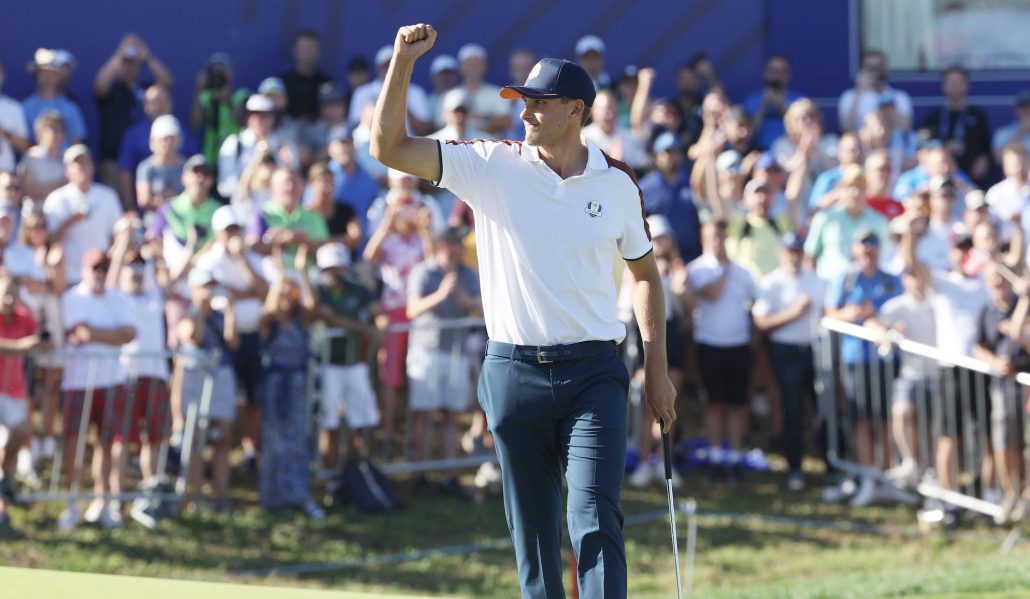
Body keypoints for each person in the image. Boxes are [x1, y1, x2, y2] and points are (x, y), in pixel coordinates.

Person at [369, 24, 675, 597]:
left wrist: (656, 372)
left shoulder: (618, 184)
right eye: (523, 102)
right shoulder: (490, 164)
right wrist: (401, 64)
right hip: (512, 372)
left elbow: (645, 277)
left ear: (576, 110)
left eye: (540, 103)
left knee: (594, 515)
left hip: (593, 371)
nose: (526, 113)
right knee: (533, 534)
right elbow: (387, 148)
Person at [55, 249, 137, 531]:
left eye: (104, 267)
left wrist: (96, 335)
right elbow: (82, 333)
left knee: (107, 443)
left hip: (111, 380)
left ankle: (102, 501)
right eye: (94, 267)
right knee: (74, 443)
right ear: (84, 268)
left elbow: (129, 334)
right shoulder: (72, 297)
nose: (99, 273)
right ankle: (72, 501)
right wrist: (108, 335)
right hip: (77, 381)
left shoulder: (118, 297)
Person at [823, 228, 901, 508]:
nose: (868, 250)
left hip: (886, 360)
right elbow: (830, 312)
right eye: (863, 244)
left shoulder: (891, 280)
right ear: (855, 249)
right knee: (860, 419)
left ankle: (886, 477)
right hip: (856, 358)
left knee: (885, 420)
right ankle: (869, 477)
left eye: (873, 244)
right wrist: (853, 314)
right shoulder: (845, 279)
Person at [194, 205, 269, 478]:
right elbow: (214, 293)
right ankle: (211, 455)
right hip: (220, 339)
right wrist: (247, 292)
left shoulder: (251, 258)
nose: (233, 235)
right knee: (218, 403)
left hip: (252, 336)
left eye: (236, 229)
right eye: (228, 230)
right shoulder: (209, 261)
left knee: (254, 397)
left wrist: (242, 262)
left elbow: (264, 291)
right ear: (217, 233)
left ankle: (250, 454)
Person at [406, 227, 481, 498]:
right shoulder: (424, 272)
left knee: (451, 415)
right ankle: (421, 476)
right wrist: (439, 295)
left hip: (456, 352)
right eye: (458, 243)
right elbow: (412, 310)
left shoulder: (468, 275)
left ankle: (450, 475)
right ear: (445, 246)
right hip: (426, 352)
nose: (462, 247)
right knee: (424, 415)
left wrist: (466, 299)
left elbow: (482, 306)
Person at [362, 173, 435, 453]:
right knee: (389, 377)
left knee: (414, 375)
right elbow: (368, 258)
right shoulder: (388, 239)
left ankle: (414, 440)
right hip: (392, 312)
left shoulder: (420, 239)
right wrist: (386, 224)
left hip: (417, 314)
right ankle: (389, 436)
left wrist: (426, 229)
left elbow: (432, 262)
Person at [257, 244, 324, 519]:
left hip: (297, 385)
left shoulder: (300, 321)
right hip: (275, 386)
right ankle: (273, 498)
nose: (287, 296)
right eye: (283, 292)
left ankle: (297, 494)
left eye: (290, 292)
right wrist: (281, 276)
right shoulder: (268, 321)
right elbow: (270, 305)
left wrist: (299, 272)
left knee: (297, 441)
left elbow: (311, 304)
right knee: (274, 441)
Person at [752, 233, 823, 491]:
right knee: (792, 410)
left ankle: (828, 463)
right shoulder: (772, 283)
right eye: (789, 251)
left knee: (821, 407)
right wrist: (793, 313)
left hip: (813, 348)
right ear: (781, 254)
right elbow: (761, 322)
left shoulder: (814, 279)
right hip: (785, 350)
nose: (794, 256)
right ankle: (795, 467)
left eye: (797, 251)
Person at [688, 221, 757, 482]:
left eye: (721, 236)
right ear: (703, 238)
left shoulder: (743, 271)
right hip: (709, 344)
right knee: (714, 404)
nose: (718, 241)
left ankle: (735, 458)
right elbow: (713, 294)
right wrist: (726, 268)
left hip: (738, 344)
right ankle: (716, 457)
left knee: (738, 404)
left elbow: (757, 303)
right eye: (712, 237)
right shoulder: (697, 269)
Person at [313, 243, 380, 471]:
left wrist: (380, 327)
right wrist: (361, 328)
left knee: (363, 421)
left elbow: (377, 313)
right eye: (330, 268)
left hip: (355, 363)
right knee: (329, 423)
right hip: (327, 365)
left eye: (338, 267)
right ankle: (330, 477)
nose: (335, 273)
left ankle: (357, 473)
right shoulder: (318, 291)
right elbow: (328, 318)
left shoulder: (358, 289)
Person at [176, 267, 238, 513]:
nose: (209, 291)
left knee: (222, 438)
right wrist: (200, 310)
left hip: (221, 376)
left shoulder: (222, 315)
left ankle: (221, 496)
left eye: (211, 286)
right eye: (204, 286)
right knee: (195, 439)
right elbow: (194, 336)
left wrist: (231, 310)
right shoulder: (186, 314)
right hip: (196, 377)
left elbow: (233, 342)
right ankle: (197, 496)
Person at [7, 211, 65, 465]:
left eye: (42, 227)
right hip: (24, 328)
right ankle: (26, 452)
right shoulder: (17, 253)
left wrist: (46, 274)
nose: (38, 232)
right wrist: (39, 279)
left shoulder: (54, 254)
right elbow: (20, 283)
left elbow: (54, 286)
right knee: (28, 390)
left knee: (49, 385)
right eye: (33, 227)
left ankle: (47, 441)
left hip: (47, 325)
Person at [973, 261, 1028, 524]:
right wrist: (995, 363)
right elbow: (978, 345)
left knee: (1025, 447)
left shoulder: (1024, 303)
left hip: (1026, 382)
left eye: (1001, 277)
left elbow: (1019, 335)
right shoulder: (986, 310)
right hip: (1003, 384)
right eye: (992, 278)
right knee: (1004, 442)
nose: (998, 283)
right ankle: (1011, 493)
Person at [93, 34, 174, 189]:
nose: (129, 67)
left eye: (133, 64)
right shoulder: (112, 90)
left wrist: (147, 57)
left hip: (149, 160)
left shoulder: (146, 89)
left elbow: (168, 82)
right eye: (125, 63)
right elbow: (99, 86)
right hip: (114, 161)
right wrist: (119, 54)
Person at [43, 145, 123, 285]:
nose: (82, 167)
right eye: (77, 163)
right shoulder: (56, 199)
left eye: (86, 162)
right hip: (70, 277)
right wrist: (71, 220)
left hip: (102, 276)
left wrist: (108, 263)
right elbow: (50, 241)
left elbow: (117, 235)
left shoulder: (108, 195)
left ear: (93, 167)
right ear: (67, 170)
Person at [0, 275, 42, 537]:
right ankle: (3, 512)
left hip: (14, 390)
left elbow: (39, 336)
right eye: (5, 291)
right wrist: (18, 346)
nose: (9, 297)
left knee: (22, 431)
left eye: (13, 292)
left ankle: (5, 480)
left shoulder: (23, 316)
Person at [117, 85, 200, 207]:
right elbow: (125, 172)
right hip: (150, 214)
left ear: (170, 103)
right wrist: (130, 208)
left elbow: (196, 167)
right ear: (146, 106)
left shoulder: (185, 132)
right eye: (155, 102)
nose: (159, 105)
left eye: (162, 101)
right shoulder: (133, 135)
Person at [804, 165, 889, 281]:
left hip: (865, 286)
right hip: (829, 282)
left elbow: (885, 256)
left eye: (860, 187)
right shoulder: (825, 218)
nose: (855, 193)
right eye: (850, 187)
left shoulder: (879, 221)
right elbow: (810, 255)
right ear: (840, 189)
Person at [217, 94, 299, 200]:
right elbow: (225, 188)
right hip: (242, 211)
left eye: (266, 115)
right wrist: (257, 161)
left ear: (273, 118)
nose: (260, 120)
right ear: (247, 118)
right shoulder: (233, 144)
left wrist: (289, 166)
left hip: (276, 212)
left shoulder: (286, 146)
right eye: (255, 114)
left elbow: (296, 188)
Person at [637, 132, 702, 263]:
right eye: (666, 153)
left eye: (674, 153)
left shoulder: (691, 182)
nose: (670, 158)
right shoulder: (645, 188)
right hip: (659, 260)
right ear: (657, 157)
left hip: (693, 257)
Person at [922, 66, 991, 185]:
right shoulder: (934, 117)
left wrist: (984, 159)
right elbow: (925, 144)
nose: (955, 86)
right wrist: (945, 147)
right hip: (940, 179)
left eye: (959, 82)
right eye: (951, 82)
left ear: (967, 86)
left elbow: (986, 146)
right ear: (943, 86)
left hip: (972, 178)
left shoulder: (978, 115)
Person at [191, 52, 248, 168]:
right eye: (214, 71)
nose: (218, 75)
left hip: (236, 160)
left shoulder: (241, 96)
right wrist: (198, 92)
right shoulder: (205, 98)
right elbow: (195, 124)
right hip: (210, 162)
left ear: (230, 73)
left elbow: (245, 124)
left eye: (222, 71)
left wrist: (228, 102)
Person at [22, 48, 87, 147]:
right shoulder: (26, 106)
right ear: (37, 75)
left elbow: (77, 142)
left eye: (54, 74)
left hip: (64, 161)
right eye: (44, 73)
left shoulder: (71, 108)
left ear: (61, 77)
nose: (48, 77)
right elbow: (23, 142)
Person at [326, 125, 380, 243]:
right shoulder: (322, 178)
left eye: (348, 142)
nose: (345, 147)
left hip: (363, 249)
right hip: (330, 248)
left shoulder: (368, 178)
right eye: (340, 143)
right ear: (329, 148)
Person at [838, 50, 913, 133]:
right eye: (870, 67)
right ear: (861, 70)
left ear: (885, 70)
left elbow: (905, 127)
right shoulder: (849, 97)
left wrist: (885, 95)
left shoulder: (900, 97)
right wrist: (858, 92)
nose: (875, 72)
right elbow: (846, 128)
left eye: (878, 67)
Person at [743, 55, 803, 151]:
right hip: (759, 152)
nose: (777, 75)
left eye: (781, 71)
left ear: (788, 75)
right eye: (773, 71)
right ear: (766, 73)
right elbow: (746, 135)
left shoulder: (799, 101)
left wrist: (782, 106)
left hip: (790, 151)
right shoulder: (752, 100)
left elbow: (803, 131)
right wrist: (763, 106)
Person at [582, 89, 649, 172]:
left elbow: (642, 162)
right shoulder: (583, 138)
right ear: (593, 112)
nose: (609, 115)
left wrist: (623, 162)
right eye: (605, 110)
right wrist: (607, 158)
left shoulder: (628, 136)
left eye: (612, 109)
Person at [455, 44, 512, 138]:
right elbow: (442, 123)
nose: (472, 68)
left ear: (484, 66)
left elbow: (506, 122)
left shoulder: (498, 93)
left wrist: (477, 119)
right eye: (468, 64)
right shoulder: (451, 95)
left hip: (490, 149)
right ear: (461, 67)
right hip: (457, 149)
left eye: (476, 64)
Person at [304, 162, 361, 250]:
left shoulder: (346, 210)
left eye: (331, 182)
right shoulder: (304, 214)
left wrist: (324, 243)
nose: (328, 187)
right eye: (323, 183)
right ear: (311, 184)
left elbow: (356, 237)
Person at [278, 30, 332, 123]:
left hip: (321, 132)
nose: (307, 53)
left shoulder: (328, 83)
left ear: (318, 51)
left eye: (311, 49)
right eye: (303, 48)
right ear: (295, 51)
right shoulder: (282, 83)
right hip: (289, 131)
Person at [134, 115, 185, 213]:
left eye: (172, 138)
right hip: (153, 222)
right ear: (154, 141)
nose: (168, 142)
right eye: (164, 139)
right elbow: (144, 200)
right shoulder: (145, 167)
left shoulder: (187, 166)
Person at [17, 111, 67, 204]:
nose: (57, 133)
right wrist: (60, 188)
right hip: (36, 213)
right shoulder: (31, 157)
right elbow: (26, 190)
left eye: (61, 129)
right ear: (41, 132)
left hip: (62, 213)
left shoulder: (68, 157)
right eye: (53, 128)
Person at [0, 61, 30, 174]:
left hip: (6, 178)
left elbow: (24, 146)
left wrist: (4, 133)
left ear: (2, 75)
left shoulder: (14, 108)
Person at [991, 91, 1030, 162]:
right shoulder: (1003, 133)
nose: (1027, 111)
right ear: (1017, 110)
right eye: (1024, 108)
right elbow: (998, 159)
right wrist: (1022, 132)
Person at [427, 54, 460, 129]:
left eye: (449, 74)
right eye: (442, 75)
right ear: (434, 77)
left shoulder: (464, 97)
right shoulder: (428, 100)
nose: (446, 78)